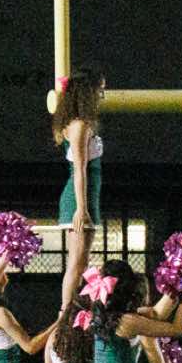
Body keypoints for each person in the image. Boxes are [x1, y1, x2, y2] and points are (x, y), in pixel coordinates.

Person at [52, 68, 105, 313]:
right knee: (77, 261)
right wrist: (81, 209)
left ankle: (71, 310)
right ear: (87, 93)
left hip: (88, 195)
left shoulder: (82, 124)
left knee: (81, 261)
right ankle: (65, 313)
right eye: (99, 90)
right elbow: (80, 169)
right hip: (79, 198)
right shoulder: (79, 125)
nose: (101, 96)